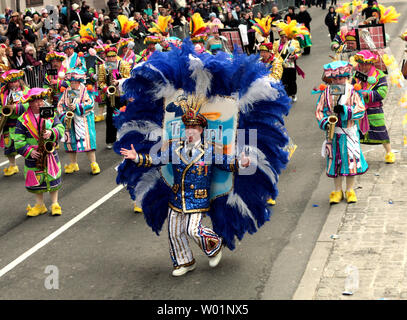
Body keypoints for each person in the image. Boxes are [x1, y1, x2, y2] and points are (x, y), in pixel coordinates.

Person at [120, 101, 251, 276]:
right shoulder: (175, 148)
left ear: (201, 130)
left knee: (193, 230)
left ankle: (215, 245)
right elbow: (159, 159)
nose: (190, 131)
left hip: (197, 197)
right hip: (177, 197)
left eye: (194, 128)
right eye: (187, 127)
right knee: (174, 232)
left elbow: (226, 164)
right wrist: (137, 157)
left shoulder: (209, 150)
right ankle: (184, 262)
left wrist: (241, 163)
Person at [315, 60, 368, 204]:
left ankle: (350, 190)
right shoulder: (326, 92)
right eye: (335, 78)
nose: (338, 80)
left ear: (347, 77)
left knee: (351, 162)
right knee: (335, 162)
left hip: (349, 133)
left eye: (341, 78)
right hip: (333, 134)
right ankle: (337, 190)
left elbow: (361, 109)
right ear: (331, 79)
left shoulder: (353, 91)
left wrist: (345, 110)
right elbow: (319, 110)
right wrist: (325, 121)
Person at [13, 88, 64, 216]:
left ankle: (55, 204)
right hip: (33, 155)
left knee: (52, 177)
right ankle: (40, 205)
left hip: (49, 152)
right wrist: (29, 151)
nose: (40, 103)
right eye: (36, 101)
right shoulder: (22, 120)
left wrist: (51, 132)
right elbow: (18, 140)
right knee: (36, 180)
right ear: (30, 103)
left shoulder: (50, 113)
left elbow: (60, 128)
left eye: (41, 100)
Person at [352, 50, 395, 164]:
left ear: (371, 63)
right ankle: (357, 155)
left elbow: (382, 92)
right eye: (360, 63)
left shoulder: (379, 75)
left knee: (380, 130)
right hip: (359, 108)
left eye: (365, 63)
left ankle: (389, 152)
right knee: (356, 132)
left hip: (374, 109)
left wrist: (367, 94)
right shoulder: (356, 75)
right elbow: (350, 88)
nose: (363, 66)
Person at [57, 68, 100, 175]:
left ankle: (94, 163)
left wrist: (77, 106)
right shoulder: (67, 91)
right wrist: (64, 115)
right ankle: (73, 164)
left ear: (79, 81)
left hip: (84, 121)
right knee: (70, 143)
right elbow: (60, 105)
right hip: (70, 121)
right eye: (71, 82)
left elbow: (90, 104)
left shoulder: (85, 90)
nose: (73, 84)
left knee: (87, 143)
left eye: (75, 82)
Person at [97, 46, 131, 149]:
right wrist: (106, 89)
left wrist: (118, 82)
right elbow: (101, 82)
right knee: (110, 119)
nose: (111, 58)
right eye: (109, 57)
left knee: (124, 117)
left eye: (113, 56)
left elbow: (128, 79)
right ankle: (110, 140)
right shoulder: (102, 67)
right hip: (110, 95)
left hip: (121, 95)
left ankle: (124, 138)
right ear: (106, 57)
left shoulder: (124, 64)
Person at [0, 69, 29, 176]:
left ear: (19, 81)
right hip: (8, 122)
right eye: (11, 82)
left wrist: (16, 107)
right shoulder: (3, 93)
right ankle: (13, 166)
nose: (13, 84)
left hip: (22, 121)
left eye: (15, 82)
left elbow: (29, 105)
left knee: (26, 144)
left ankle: (30, 165)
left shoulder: (26, 91)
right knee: (9, 145)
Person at [273, 28, 302, 102]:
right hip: (280, 65)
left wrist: (294, 56)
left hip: (290, 65)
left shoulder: (294, 43)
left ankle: (293, 94)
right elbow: (273, 53)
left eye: (285, 36)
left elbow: (298, 52)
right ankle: (286, 95)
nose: (284, 38)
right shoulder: (276, 43)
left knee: (292, 80)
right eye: (282, 37)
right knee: (283, 81)